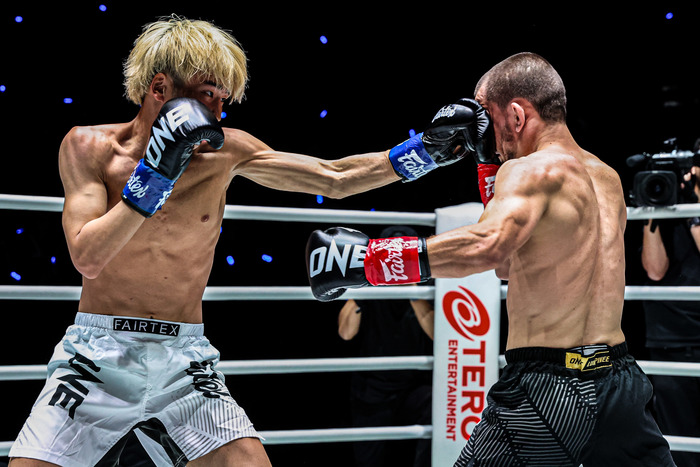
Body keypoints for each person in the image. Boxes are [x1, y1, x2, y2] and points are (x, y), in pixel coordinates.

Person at [7, 14, 487, 467]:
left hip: (183, 360)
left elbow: (334, 177)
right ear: (159, 89)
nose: (218, 113)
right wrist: (155, 174)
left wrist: (426, 151)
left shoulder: (228, 151)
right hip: (97, 354)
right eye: (208, 95)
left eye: (224, 100)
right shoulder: (88, 147)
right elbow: (88, 256)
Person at [306, 52, 677, 466]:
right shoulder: (606, 176)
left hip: (548, 387)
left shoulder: (529, 170)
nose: (486, 136)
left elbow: (488, 246)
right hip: (620, 381)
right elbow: (509, 265)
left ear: (516, 115)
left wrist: (370, 261)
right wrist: (487, 167)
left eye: (488, 118)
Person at [337, 226, 433, 467]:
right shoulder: (370, 285)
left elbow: (437, 335)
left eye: (403, 258)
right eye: (392, 257)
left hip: (413, 387)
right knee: (368, 460)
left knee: (435, 405)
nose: (397, 263)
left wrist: (412, 290)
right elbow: (345, 333)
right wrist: (363, 288)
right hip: (372, 389)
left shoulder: (426, 286)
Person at [641, 162, 700, 467]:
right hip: (671, 341)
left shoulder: (692, 210)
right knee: (681, 446)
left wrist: (694, 208)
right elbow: (654, 270)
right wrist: (654, 208)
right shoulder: (666, 208)